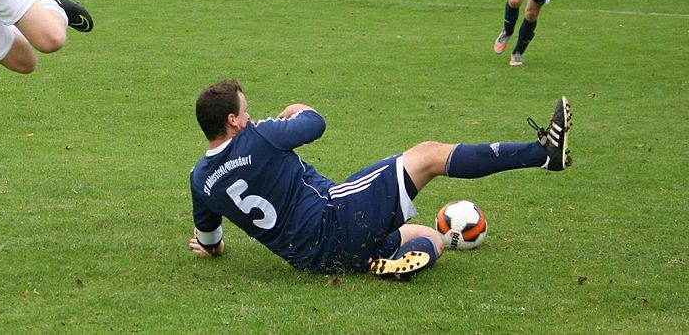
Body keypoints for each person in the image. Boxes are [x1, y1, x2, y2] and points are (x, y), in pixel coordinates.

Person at [188, 79, 572, 279]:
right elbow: (315, 123)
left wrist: (212, 249)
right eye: (246, 110)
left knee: (434, 236)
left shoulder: (200, 180)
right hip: (335, 216)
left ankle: (393, 262)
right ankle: (542, 154)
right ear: (232, 121)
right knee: (427, 154)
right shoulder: (258, 136)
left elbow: (211, 241)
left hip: (312, 260)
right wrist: (297, 107)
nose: (251, 116)